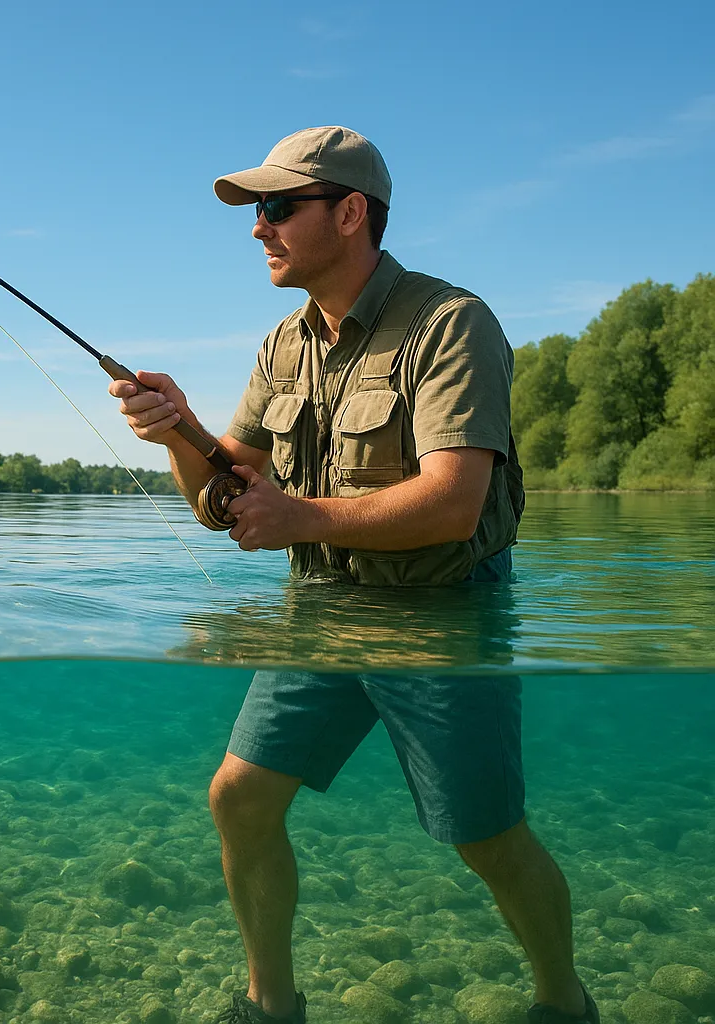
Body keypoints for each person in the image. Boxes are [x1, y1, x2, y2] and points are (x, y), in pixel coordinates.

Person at [108, 127, 598, 1024]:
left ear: (349, 213)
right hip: (323, 611)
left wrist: (298, 516)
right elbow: (224, 504)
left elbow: (455, 502)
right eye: (257, 212)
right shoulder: (279, 346)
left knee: (486, 838)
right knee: (239, 798)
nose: (259, 229)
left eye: (276, 209)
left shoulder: (452, 323)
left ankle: (564, 1001)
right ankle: (271, 1005)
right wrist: (178, 430)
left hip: (442, 615)